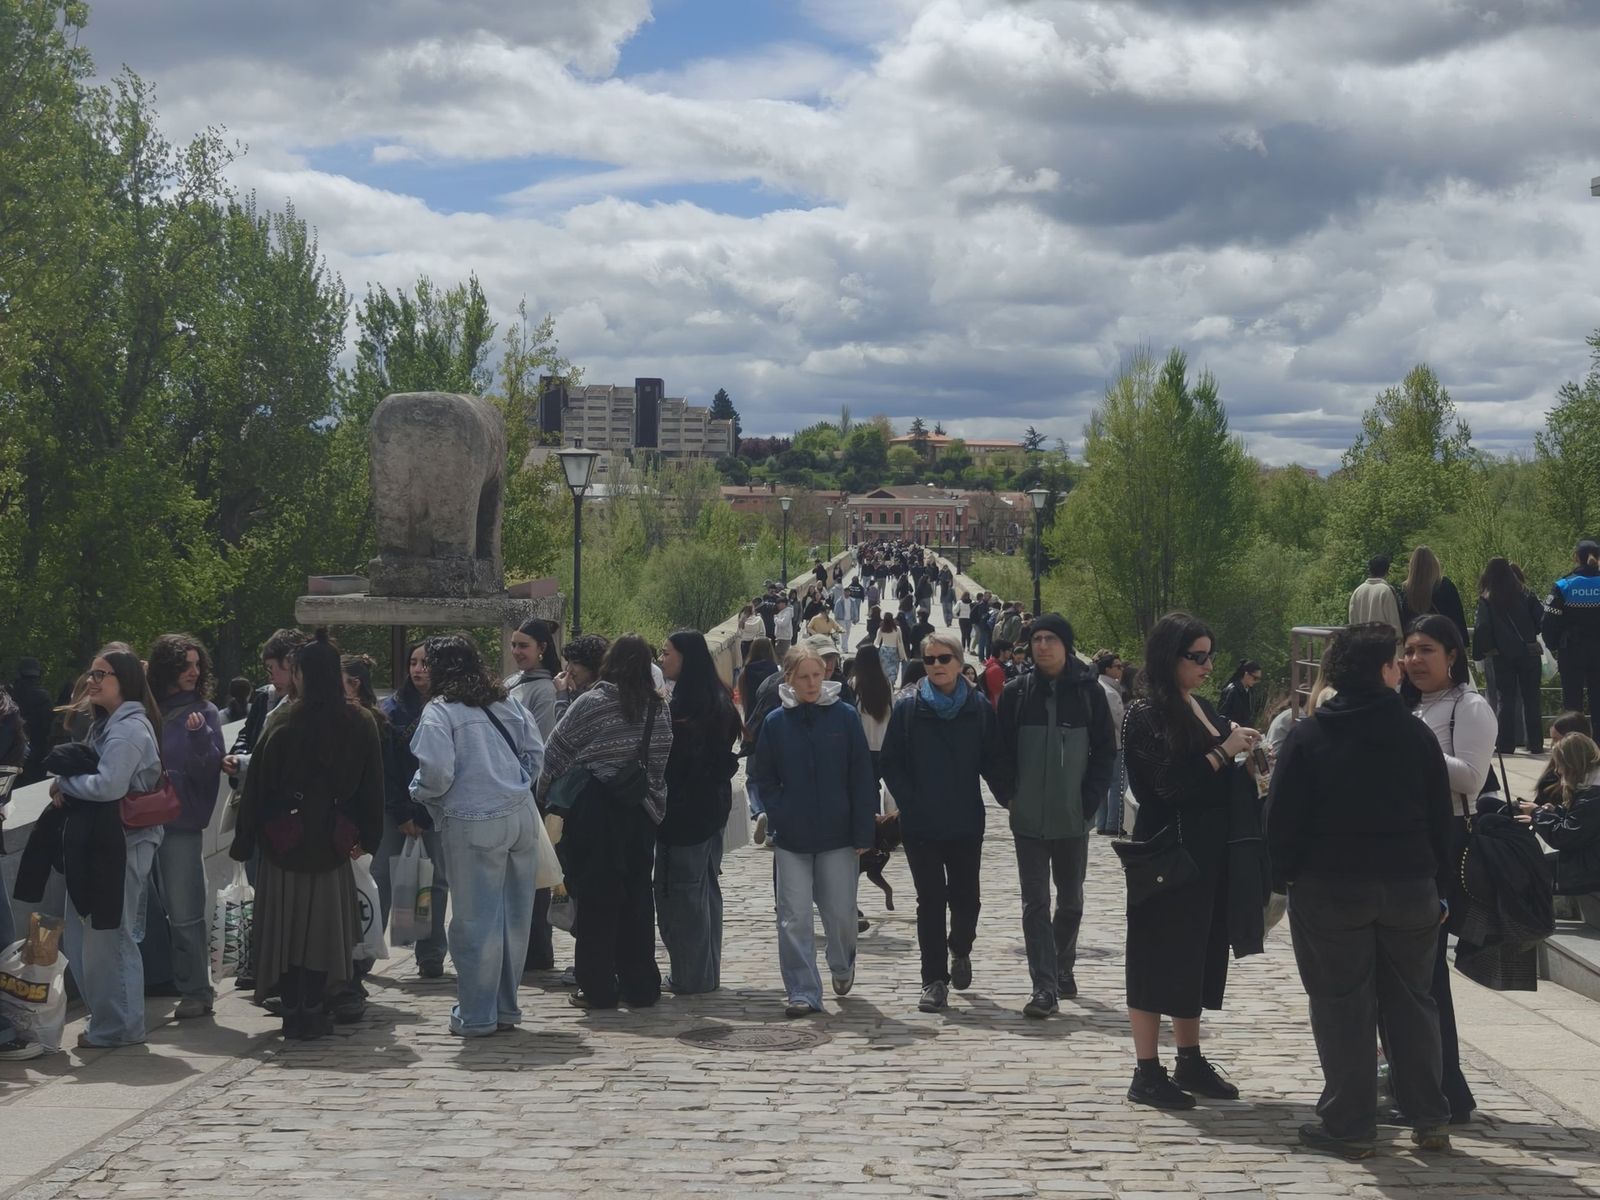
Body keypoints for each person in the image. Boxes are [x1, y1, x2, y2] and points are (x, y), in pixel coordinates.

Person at [1265, 622, 1455, 1159]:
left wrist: (1286, 876)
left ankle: (1350, 1124)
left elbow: (1280, 819)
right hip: (1409, 885)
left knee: (1341, 1006)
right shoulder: (1416, 735)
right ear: (1385, 670)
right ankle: (1429, 1115)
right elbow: (1440, 819)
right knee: (1413, 1002)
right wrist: (1437, 883)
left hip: (1331, 887)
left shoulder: (1309, 735)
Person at [1122, 613, 1260, 1109]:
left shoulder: (1199, 705)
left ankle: (1189, 1058)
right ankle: (1146, 1071)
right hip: (1166, 853)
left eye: (1209, 656)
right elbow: (1166, 785)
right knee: (1154, 958)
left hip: (1206, 853)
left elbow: (1216, 770)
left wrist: (1243, 753)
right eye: (1197, 656)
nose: (1207, 665)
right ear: (1169, 656)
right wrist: (1223, 751)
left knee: (1196, 957)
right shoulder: (1145, 713)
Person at [230, 633, 382, 1038]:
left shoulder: (284, 720)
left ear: (301, 674)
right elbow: (372, 787)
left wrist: (245, 840)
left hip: (285, 840)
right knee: (323, 930)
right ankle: (314, 1005)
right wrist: (369, 837)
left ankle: (294, 1005)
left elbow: (258, 785)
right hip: (331, 841)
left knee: (287, 929)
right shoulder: (360, 722)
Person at [410, 635, 544, 1037]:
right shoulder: (507, 702)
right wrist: (514, 785)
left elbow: (436, 773)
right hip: (520, 815)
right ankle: (505, 1007)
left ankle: (477, 1013)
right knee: (514, 919)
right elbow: (536, 755)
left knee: (474, 922)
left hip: (473, 819)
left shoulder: (441, 710)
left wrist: (420, 792)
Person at [539, 636, 673, 1011]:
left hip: (594, 813)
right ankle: (640, 985)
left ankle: (597, 986)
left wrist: (546, 795)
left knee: (596, 902)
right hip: (640, 812)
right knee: (637, 899)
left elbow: (555, 751)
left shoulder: (592, 702)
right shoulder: (657, 708)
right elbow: (661, 758)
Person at [994, 615, 1115, 1017]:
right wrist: (1008, 795)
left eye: (1050, 639)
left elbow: (1105, 752)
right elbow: (997, 752)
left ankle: (1063, 964)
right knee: (1035, 903)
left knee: (1071, 901)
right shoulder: (1016, 694)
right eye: (1036, 639)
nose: (1042, 646)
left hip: (1072, 818)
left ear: (1066, 644)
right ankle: (1043, 987)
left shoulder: (1088, 693)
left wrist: (1089, 801)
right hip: (1028, 820)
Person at [1399, 613, 1493, 1124]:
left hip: (1446, 843)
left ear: (1452, 655)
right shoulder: (1407, 705)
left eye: (1426, 650)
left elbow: (1472, 778)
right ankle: (1424, 1085)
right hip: (1405, 840)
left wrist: (1412, 743)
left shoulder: (1469, 707)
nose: (1414, 660)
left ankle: (1444, 1090)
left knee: (1428, 975)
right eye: (1409, 650)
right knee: (1409, 976)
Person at [749, 645, 877, 1017]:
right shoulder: (776, 722)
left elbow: (861, 775)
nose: (811, 683)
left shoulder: (845, 717)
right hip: (792, 838)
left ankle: (842, 962)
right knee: (793, 917)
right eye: (803, 677)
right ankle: (803, 990)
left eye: (817, 675)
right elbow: (762, 776)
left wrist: (863, 830)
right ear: (788, 678)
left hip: (839, 835)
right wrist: (778, 811)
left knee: (840, 914)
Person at [880, 632, 1004, 1013]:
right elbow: (890, 762)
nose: (936, 665)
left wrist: (1013, 797)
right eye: (929, 660)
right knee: (930, 902)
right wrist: (911, 802)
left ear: (960, 662)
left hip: (965, 821)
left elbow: (993, 760)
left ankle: (960, 947)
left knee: (967, 900)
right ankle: (933, 980)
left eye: (944, 658)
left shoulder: (978, 708)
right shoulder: (908, 707)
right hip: (921, 825)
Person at [47, 649, 166, 1048]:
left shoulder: (128, 729)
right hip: (107, 843)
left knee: (111, 937)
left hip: (123, 843)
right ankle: (109, 1021)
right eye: (91, 672)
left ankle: (120, 1027)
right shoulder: (108, 724)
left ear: (125, 680)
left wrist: (64, 784)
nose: (92, 680)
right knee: (92, 936)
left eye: (102, 674)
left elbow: (108, 786)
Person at [144, 634, 226, 1019]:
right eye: (185, 665)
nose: (193, 672)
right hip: (140, 820)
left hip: (179, 822)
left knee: (184, 910)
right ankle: (159, 979)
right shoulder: (145, 710)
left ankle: (196, 989)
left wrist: (199, 738)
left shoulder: (204, 712)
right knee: (141, 911)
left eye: (197, 665)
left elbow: (209, 770)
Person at [655, 631, 742, 995]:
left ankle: (691, 976)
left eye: (667, 653)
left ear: (686, 658)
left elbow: (678, 766)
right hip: (710, 811)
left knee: (683, 894)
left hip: (687, 814)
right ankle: (705, 973)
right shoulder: (716, 698)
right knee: (703, 890)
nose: (661, 659)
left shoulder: (688, 709)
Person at [374, 643, 451, 979]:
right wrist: (402, 812)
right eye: (413, 663)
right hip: (394, 808)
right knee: (381, 877)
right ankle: (363, 952)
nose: (418, 669)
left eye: (425, 663)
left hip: (436, 808)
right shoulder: (390, 709)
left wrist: (422, 812)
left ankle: (431, 953)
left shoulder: (451, 708)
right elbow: (385, 768)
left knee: (436, 880)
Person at [1473, 557, 1546, 755]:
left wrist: (1487, 649)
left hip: (1502, 655)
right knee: (1532, 699)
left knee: (1505, 699)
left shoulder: (1487, 598)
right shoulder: (1526, 593)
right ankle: (1535, 743)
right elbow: (1542, 619)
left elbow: (1482, 627)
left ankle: (1506, 744)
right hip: (1529, 652)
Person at [1528, 733, 1600, 898]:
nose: (1557, 770)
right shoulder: (1591, 789)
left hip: (1590, 870)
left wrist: (1536, 813)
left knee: (1529, 866)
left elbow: (1565, 836)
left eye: (1560, 765)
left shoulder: (1593, 795)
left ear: (1571, 765)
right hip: (1590, 860)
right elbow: (1580, 823)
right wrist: (1555, 812)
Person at [1543, 539, 1600, 716]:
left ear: (1576, 557)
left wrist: (1553, 645)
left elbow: (1549, 620)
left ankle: (1574, 733)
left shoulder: (1564, 585)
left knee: (1572, 704)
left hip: (1571, 651)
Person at [1399, 546, 1468, 647]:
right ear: (1434, 564)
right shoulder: (1445, 586)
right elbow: (1457, 618)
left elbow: (1404, 623)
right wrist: (1462, 644)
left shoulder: (1405, 591)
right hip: (1442, 644)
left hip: (1416, 644)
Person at [506, 619, 561, 740]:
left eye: (523, 646)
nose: (515, 651)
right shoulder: (511, 680)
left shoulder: (546, 692)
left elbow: (543, 741)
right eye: (513, 645)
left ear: (542, 648)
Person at [1094, 650, 1127, 835]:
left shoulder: (1095, 687)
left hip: (1097, 744)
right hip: (1115, 744)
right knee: (1118, 785)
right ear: (1107, 669)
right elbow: (1119, 721)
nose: (1121, 670)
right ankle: (1113, 823)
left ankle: (1102, 823)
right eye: (1117, 666)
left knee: (1102, 784)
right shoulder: (1110, 693)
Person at [8, 656, 53, 785]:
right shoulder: (43, 696)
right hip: (37, 750)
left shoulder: (9, 694)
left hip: (11, 751)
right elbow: (47, 726)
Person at [554, 634, 609, 723]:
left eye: (575, 663)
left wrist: (562, 694)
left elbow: (565, 726)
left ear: (592, 666)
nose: (568, 669)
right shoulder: (584, 693)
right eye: (568, 662)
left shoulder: (598, 698)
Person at [1348, 555, 1404, 638]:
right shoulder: (1385, 591)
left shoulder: (1357, 591)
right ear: (1387, 571)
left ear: (1370, 570)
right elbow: (1393, 619)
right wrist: (1399, 637)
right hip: (1382, 642)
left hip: (1362, 641)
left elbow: (1352, 621)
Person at [1216, 660, 1262, 729]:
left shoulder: (1250, 692)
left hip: (1242, 732)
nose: (1256, 681)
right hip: (1228, 731)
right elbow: (1220, 715)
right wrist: (1230, 723)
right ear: (1246, 674)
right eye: (1255, 678)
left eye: (1259, 679)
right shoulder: (1231, 690)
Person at [876, 610, 904, 687]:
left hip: (884, 650)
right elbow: (900, 642)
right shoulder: (897, 629)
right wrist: (902, 654)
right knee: (894, 668)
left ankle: (885, 683)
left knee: (884, 668)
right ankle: (892, 682)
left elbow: (877, 642)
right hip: (894, 650)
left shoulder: (881, 629)